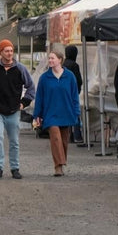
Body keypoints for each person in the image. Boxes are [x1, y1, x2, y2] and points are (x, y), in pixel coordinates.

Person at [0, 39, 36, 179]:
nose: (9, 53)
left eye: (11, 50)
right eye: (6, 51)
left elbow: (31, 87)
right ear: (1, 52)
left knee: (14, 141)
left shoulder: (20, 69)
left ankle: (15, 168)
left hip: (13, 110)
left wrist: (24, 103)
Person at [32, 46, 80, 177]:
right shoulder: (44, 78)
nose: (50, 60)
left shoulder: (69, 76)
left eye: (52, 58)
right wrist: (37, 115)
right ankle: (58, 166)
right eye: (49, 58)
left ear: (60, 60)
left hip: (66, 112)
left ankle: (61, 163)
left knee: (64, 140)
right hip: (50, 114)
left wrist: (76, 112)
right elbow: (39, 97)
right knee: (55, 138)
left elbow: (75, 96)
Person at [62, 45, 84, 143]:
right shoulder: (74, 65)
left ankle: (67, 136)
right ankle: (77, 136)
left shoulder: (62, 64)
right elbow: (78, 80)